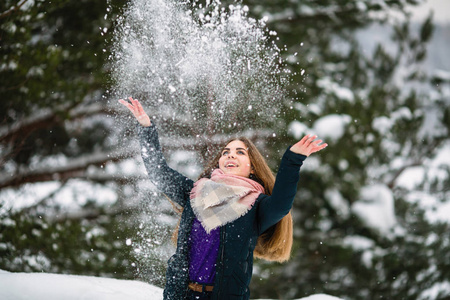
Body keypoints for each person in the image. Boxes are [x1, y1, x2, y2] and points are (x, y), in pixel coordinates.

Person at [119, 97, 327, 300]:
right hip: (180, 294)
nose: (230, 155)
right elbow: (159, 173)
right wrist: (146, 128)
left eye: (239, 152)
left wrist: (292, 159)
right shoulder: (196, 193)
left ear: (252, 166)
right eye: (226, 152)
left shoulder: (256, 205)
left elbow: (281, 204)